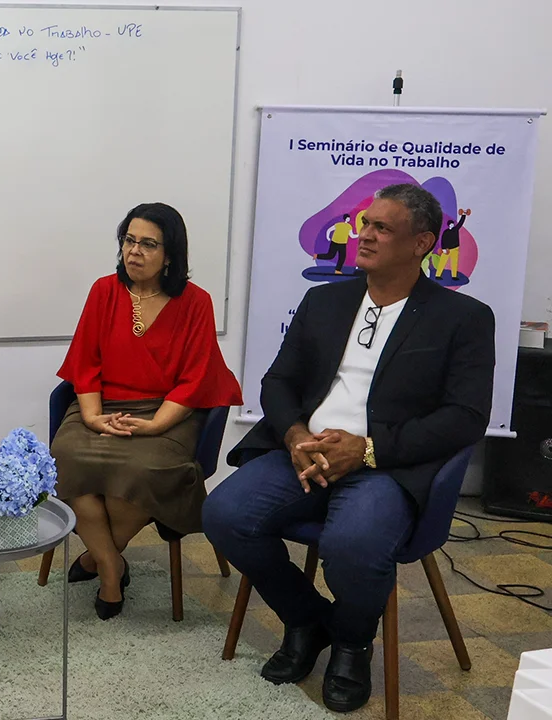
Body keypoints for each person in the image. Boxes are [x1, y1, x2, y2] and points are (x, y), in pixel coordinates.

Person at [203, 184, 495, 713]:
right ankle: (309, 620)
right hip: (303, 450)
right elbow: (278, 381)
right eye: (366, 223)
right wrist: (294, 436)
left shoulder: (463, 319)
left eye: (383, 228)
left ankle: (353, 644)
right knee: (223, 514)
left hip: (385, 466)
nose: (365, 234)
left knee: (353, 546)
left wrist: (365, 450)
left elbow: (465, 418)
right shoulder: (325, 299)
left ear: (422, 243)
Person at [50, 203, 242, 620]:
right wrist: (92, 417)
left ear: (170, 254)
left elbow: (195, 379)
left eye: (148, 244)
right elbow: (85, 362)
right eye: (128, 241)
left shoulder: (197, 303)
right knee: (67, 456)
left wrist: (155, 424)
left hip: (167, 413)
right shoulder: (104, 290)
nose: (134, 251)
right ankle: (111, 566)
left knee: (142, 471)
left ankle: (97, 561)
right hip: (102, 407)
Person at [436, 208, 471, 280]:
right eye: (450, 224)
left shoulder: (456, 229)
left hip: (455, 249)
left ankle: (454, 276)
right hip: (447, 249)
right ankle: (438, 275)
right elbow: (443, 240)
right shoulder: (446, 232)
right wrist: (443, 249)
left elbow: (461, 223)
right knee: (442, 262)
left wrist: (463, 215)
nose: (452, 225)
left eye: (452, 224)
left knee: (454, 263)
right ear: (448, 225)